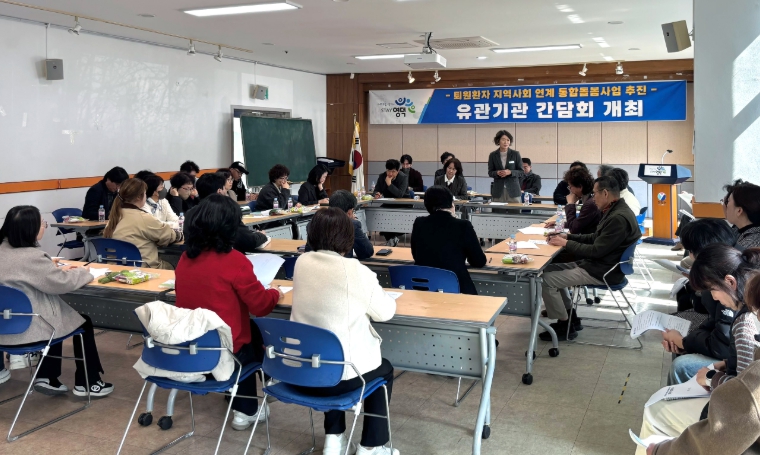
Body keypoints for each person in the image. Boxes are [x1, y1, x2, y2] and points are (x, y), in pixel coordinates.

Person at [291, 208, 398, 455]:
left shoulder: (302, 262)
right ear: (348, 237)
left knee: (326, 356)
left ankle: (334, 438)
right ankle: (371, 446)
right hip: (337, 379)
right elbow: (385, 313)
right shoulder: (356, 271)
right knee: (383, 370)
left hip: (301, 371)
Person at [175, 194, 283, 431]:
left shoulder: (185, 258)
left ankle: (247, 397)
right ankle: (246, 409)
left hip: (191, 344)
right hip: (226, 348)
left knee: (249, 332)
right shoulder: (234, 260)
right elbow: (260, 306)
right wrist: (275, 293)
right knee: (253, 338)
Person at [639, 246, 760, 455]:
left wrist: (711, 377)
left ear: (730, 282)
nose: (713, 297)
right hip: (734, 403)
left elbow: (742, 396)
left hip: (734, 417)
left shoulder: (745, 323)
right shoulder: (741, 310)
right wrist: (724, 364)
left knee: (656, 411)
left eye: (712, 290)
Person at [0, 205, 113, 397]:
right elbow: (62, 284)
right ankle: (88, 382)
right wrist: (83, 272)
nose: (44, 227)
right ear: (31, 229)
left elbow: (27, 275)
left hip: (4, 328)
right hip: (27, 330)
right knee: (80, 322)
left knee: (57, 316)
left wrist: (50, 268)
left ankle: (48, 376)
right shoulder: (32, 257)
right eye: (42, 223)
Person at [540, 176, 641, 341]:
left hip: (603, 270)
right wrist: (568, 236)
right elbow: (595, 237)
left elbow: (595, 251)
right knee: (548, 270)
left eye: (595, 194)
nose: (593, 198)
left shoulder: (618, 218)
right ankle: (570, 317)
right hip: (600, 265)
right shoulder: (615, 210)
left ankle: (565, 325)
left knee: (546, 280)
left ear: (605, 193)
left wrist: (566, 243)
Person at [662, 220, 740, 384]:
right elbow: (716, 322)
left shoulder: (727, 287)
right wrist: (686, 342)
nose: (690, 256)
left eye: (691, 251)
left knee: (681, 366)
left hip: (733, 358)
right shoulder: (729, 268)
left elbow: (722, 345)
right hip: (728, 351)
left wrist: (683, 342)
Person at [411, 186, 487, 295]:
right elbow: (479, 261)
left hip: (423, 288)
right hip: (456, 291)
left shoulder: (419, 223)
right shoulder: (463, 225)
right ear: (451, 203)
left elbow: (416, 255)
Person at [103, 178, 183, 269]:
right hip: (143, 270)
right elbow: (168, 235)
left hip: (116, 269)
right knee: (174, 265)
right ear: (139, 197)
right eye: (145, 193)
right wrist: (179, 235)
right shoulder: (143, 217)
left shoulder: (114, 217)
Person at [191, 173, 270, 252]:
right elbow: (249, 241)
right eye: (224, 188)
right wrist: (261, 235)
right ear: (219, 191)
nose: (226, 192)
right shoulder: (226, 212)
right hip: (225, 256)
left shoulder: (191, 213)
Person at [314, 189, 374, 260]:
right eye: (353, 211)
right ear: (349, 212)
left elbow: (309, 250)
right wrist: (352, 222)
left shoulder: (317, 222)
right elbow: (367, 252)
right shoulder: (351, 225)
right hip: (341, 265)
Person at [545, 166, 600, 235]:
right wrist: (560, 224)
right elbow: (579, 223)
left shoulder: (590, 203)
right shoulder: (589, 198)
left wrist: (570, 204)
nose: (570, 190)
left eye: (570, 187)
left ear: (580, 187)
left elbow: (574, 229)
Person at [373, 159, 409, 246]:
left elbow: (400, 194)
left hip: (403, 203)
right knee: (379, 213)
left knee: (394, 216)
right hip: (389, 203)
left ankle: (392, 239)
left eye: (393, 171)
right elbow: (376, 190)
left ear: (398, 171)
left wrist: (389, 184)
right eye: (388, 171)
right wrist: (377, 194)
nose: (390, 174)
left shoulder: (403, 177)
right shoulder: (382, 176)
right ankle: (392, 239)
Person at [487, 130, 523, 203]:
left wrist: (510, 172)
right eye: (503, 140)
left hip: (513, 191)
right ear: (498, 141)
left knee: (514, 210)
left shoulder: (515, 154)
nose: (506, 142)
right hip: (498, 191)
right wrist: (497, 173)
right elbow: (490, 172)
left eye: (508, 140)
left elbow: (521, 172)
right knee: (498, 210)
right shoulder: (493, 155)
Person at [723, 179, 760, 248]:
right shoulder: (737, 229)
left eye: (727, 202)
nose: (724, 206)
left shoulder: (750, 244)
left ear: (739, 211)